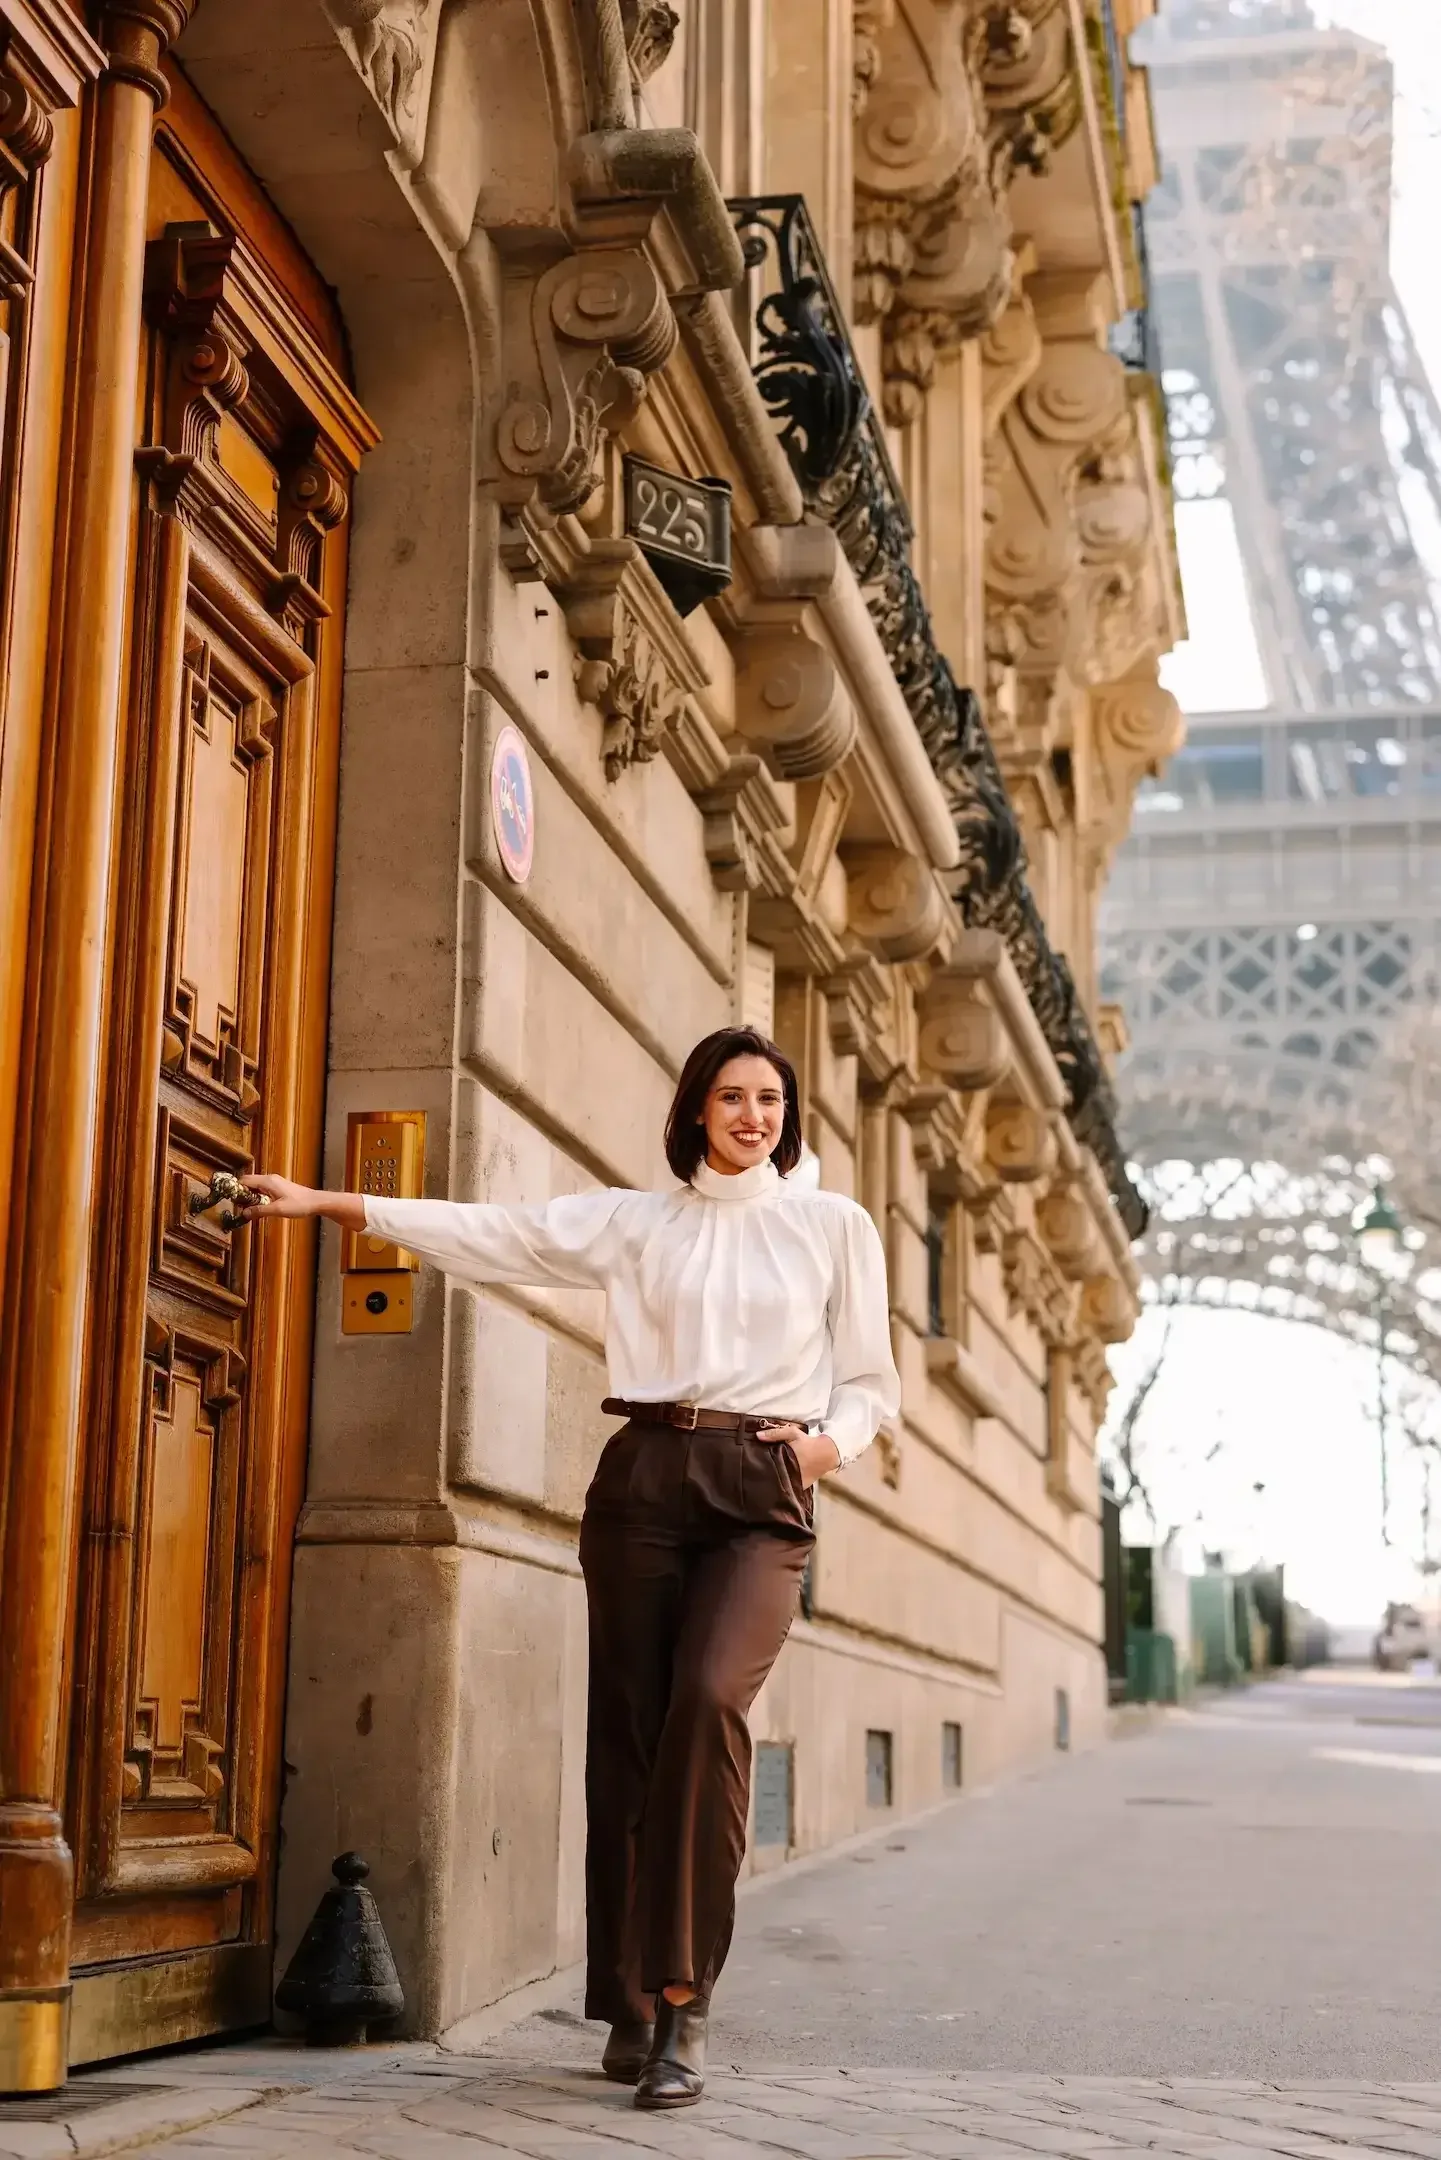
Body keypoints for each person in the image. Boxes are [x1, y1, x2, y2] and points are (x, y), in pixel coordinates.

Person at [242, 1026, 899, 2109]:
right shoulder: (635, 1221)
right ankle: (629, 2004)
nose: (753, 1116)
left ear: (788, 1115)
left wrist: (828, 1446)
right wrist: (334, 1204)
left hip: (761, 1489)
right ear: (695, 1109)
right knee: (630, 1737)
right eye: (731, 1097)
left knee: (705, 1706)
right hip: (642, 1477)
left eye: (770, 1100)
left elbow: (870, 1378)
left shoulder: (833, 1225)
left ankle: (684, 2003)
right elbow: (499, 1234)